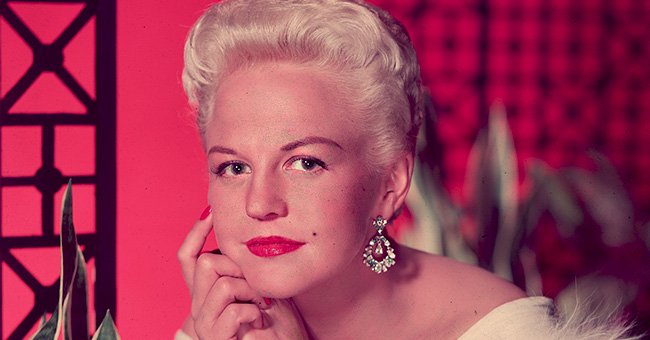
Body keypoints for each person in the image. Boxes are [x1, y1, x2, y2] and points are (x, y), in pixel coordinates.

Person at [175, 0, 637, 339]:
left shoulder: (502, 330)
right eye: (233, 167)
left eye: (305, 162)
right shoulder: (226, 322)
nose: (259, 204)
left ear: (390, 184)